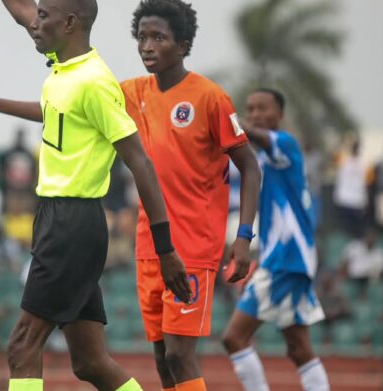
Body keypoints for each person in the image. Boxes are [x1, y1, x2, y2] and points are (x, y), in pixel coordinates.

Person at [0, 1, 191, 390]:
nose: (34, 24)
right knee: (91, 362)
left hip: (72, 224)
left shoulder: (94, 82)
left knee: (22, 346)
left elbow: (140, 163)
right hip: (60, 221)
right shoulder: (64, 66)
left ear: (70, 23)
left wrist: (165, 248)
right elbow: (52, 104)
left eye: (44, 17)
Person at [121, 1, 261, 390]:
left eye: (158, 38)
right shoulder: (133, 93)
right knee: (162, 360)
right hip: (150, 245)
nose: (147, 46)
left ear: (182, 45)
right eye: (142, 37)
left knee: (180, 356)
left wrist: (244, 238)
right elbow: (67, 108)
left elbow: (250, 167)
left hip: (193, 249)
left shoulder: (210, 97)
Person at [222, 89, 330, 391]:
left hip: (285, 259)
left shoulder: (284, 143)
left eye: (262, 109)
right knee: (298, 349)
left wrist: (227, 119)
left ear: (280, 114)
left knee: (234, 338)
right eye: (250, 109)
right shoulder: (264, 158)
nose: (255, 115)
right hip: (290, 259)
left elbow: (257, 136)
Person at [333, 141, 368, 238]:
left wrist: (365, 202)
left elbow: (365, 184)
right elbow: (334, 159)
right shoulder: (344, 161)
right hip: (344, 200)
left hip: (358, 202)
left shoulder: (363, 164)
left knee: (357, 232)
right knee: (345, 231)